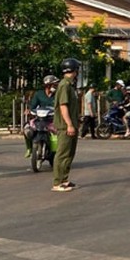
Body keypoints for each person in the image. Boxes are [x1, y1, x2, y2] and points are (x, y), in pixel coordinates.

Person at [52, 58, 81, 192]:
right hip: (65, 125)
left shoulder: (70, 85)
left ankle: (65, 179)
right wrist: (69, 124)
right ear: (74, 70)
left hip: (72, 124)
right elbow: (63, 106)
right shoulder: (64, 85)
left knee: (70, 153)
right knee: (62, 153)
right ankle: (57, 182)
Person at [24, 74, 59, 157]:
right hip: (40, 119)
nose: (55, 86)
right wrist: (29, 110)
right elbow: (32, 106)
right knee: (27, 128)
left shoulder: (57, 95)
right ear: (48, 85)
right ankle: (29, 148)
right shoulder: (39, 94)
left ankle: (57, 151)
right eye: (54, 85)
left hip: (52, 120)